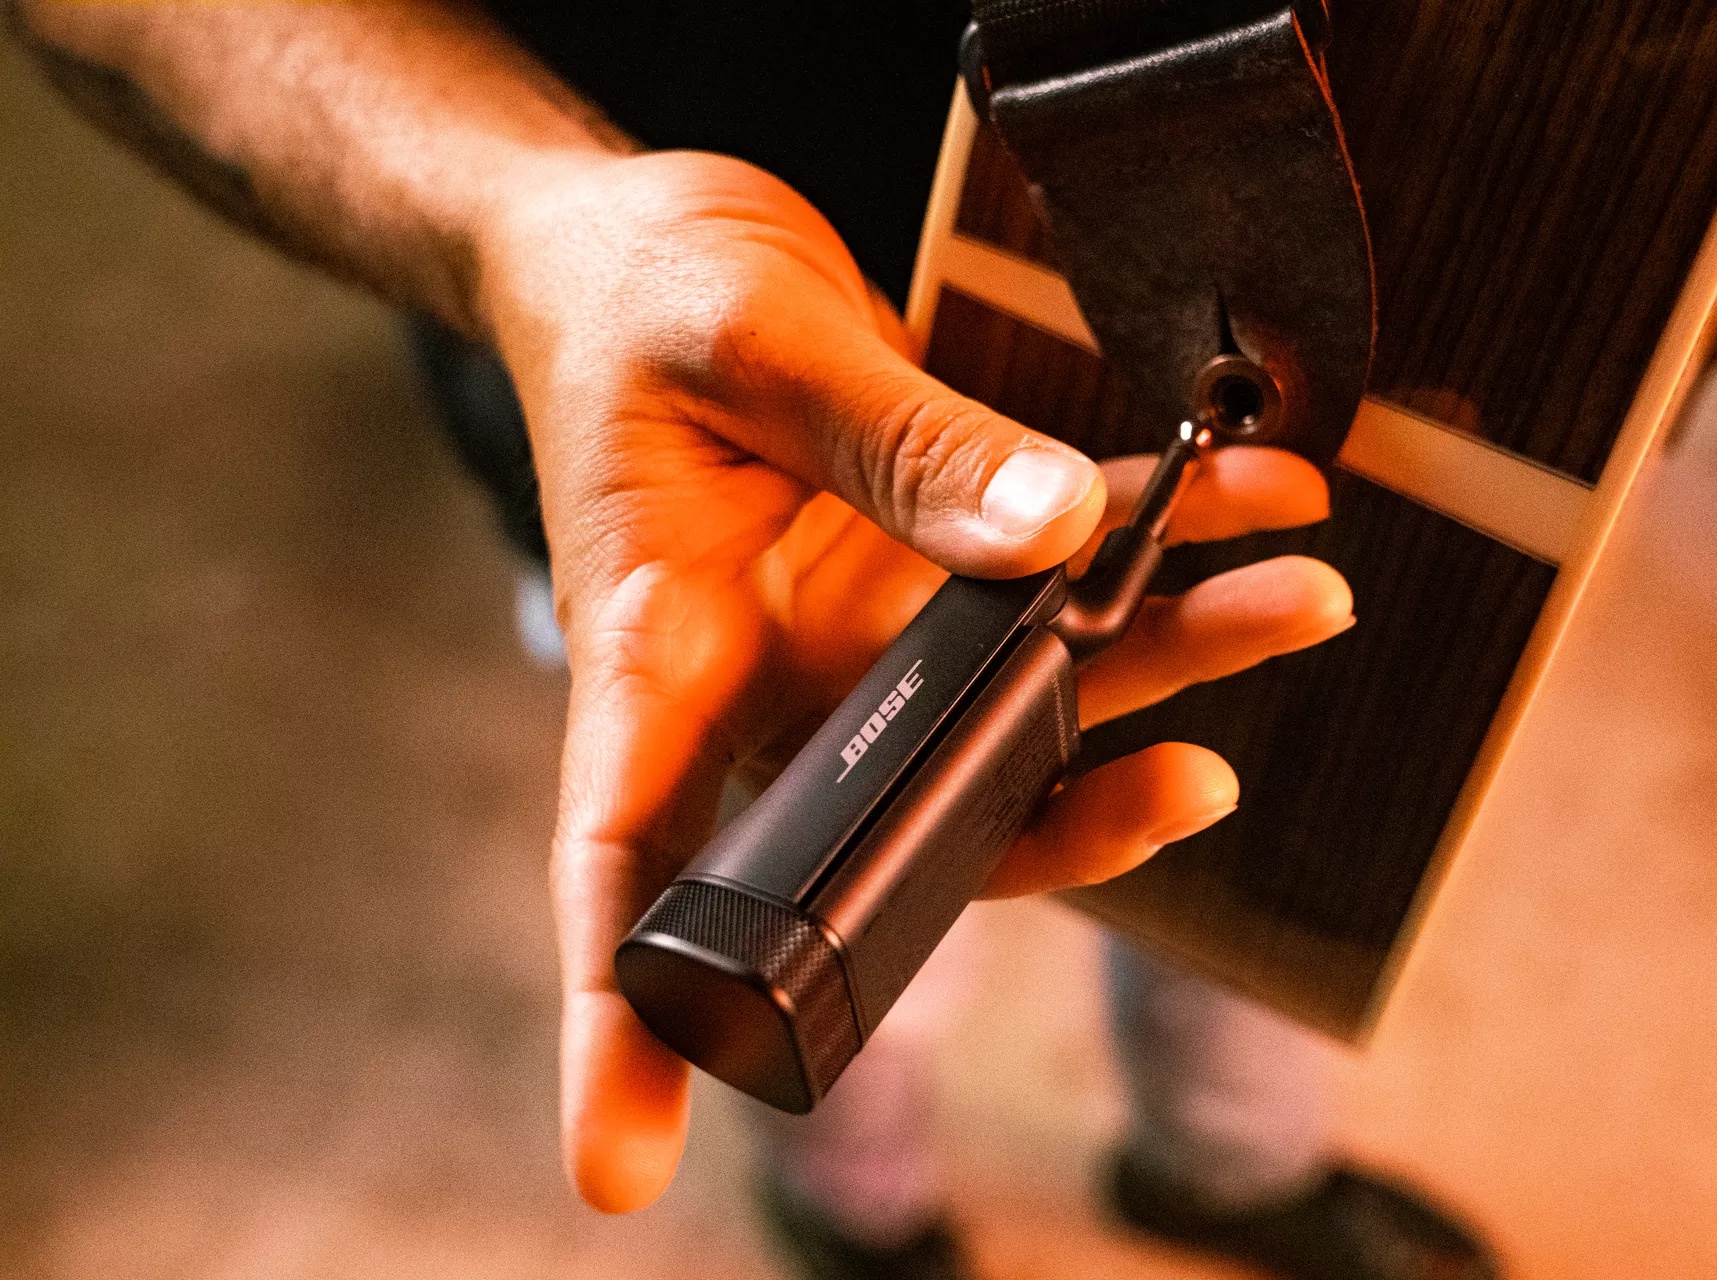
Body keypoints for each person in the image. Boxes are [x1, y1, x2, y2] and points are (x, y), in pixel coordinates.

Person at [9, 3, 1496, 1277]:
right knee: (754, 811)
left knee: (1270, 810)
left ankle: (1229, 1165)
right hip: (676, 427)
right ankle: (855, 1206)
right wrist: (513, 210)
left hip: (1327, 280)